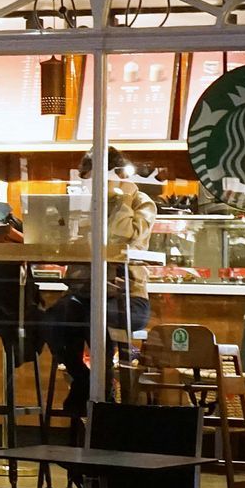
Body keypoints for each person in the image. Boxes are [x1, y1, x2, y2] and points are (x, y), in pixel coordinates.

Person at [38, 148, 157, 421]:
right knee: (52, 320)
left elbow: (124, 236)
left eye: (97, 181)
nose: (92, 187)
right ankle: (85, 380)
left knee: (96, 320)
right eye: (89, 182)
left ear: (115, 176)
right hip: (86, 294)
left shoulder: (141, 203)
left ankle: (102, 398)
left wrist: (122, 198)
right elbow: (70, 250)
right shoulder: (84, 204)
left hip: (129, 299)